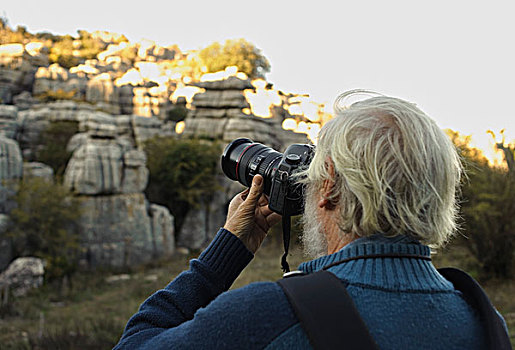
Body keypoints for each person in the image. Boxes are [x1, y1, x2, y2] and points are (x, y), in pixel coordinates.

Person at [114, 93, 504, 349]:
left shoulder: (267, 315)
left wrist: (226, 253)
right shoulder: (483, 322)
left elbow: (135, 343)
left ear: (330, 184)